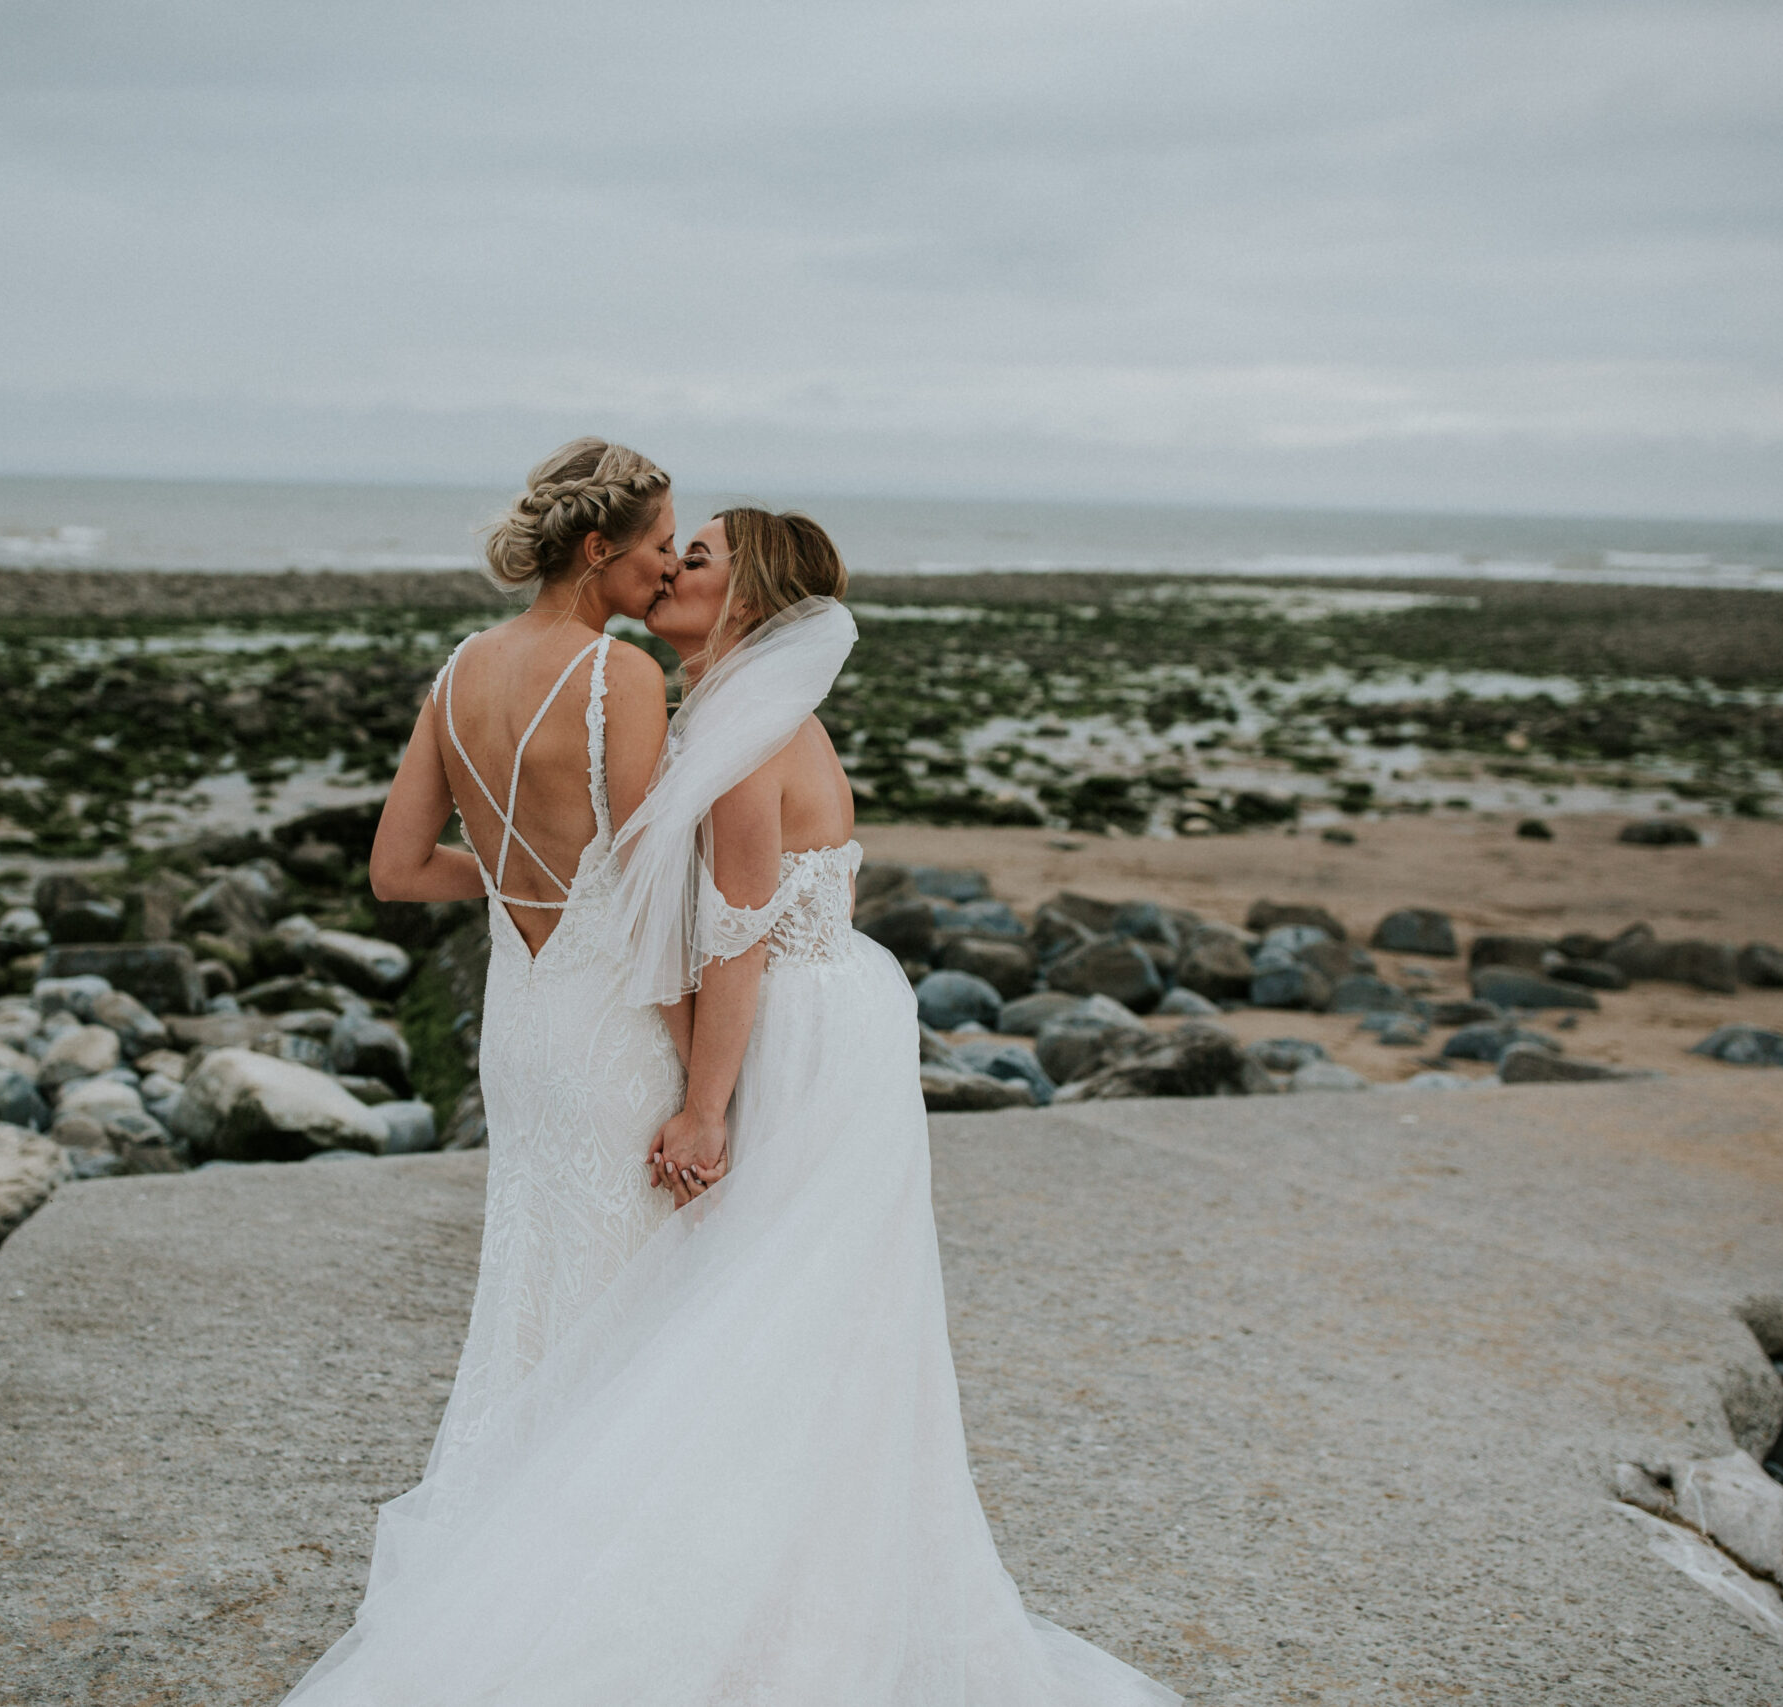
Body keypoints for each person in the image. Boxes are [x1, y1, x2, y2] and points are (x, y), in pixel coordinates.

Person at [280, 504, 1177, 1705]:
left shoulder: (749, 727)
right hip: (800, 1013)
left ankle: (765, 1610)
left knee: (774, 1314)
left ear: (746, 597)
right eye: (669, 548)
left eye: (696, 558)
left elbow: (738, 928)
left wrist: (702, 1108)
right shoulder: (711, 708)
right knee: (760, 1312)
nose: (669, 568)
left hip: (800, 1029)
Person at [360, 436, 684, 1459]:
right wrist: (715, 1081)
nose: (672, 569)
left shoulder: (461, 669)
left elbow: (399, 870)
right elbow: (644, 889)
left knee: (535, 1275)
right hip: (614, 1028)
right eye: (661, 546)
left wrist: (520, 878)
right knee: (635, 1289)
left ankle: (519, 1516)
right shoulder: (618, 675)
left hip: (522, 1028)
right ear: (596, 548)